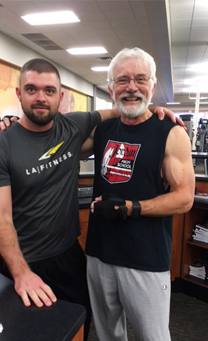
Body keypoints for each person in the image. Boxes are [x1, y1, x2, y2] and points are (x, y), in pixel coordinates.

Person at [0, 57, 182, 341]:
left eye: (49, 91)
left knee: (78, 330)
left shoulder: (73, 126)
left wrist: (153, 110)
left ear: (60, 97)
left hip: (70, 256)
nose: (41, 97)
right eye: (31, 89)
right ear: (18, 94)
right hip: (24, 261)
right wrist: (22, 273)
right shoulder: (0, 146)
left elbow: (120, 110)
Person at [85, 47, 195, 341]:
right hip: (99, 254)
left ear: (153, 86)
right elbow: (54, 135)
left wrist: (131, 208)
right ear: (110, 88)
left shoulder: (170, 132)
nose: (131, 87)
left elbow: (184, 197)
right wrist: (12, 124)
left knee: (153, 337)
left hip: (145, 258)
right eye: (122, 80)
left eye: (140, 79)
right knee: (108, 334)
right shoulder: (102, 129)